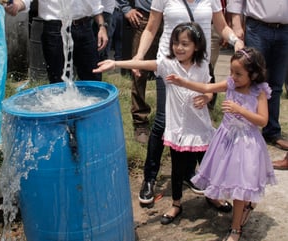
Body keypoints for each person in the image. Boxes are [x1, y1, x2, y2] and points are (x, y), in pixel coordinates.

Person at [94, 21, 223, 225]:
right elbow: (144, 64)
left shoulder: (202, 65)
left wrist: (207, 97)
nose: (179, 48)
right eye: (175, 43)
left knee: (208, 166)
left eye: (184, 44)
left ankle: (213, 196)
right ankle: (176, 204)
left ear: (196, 46)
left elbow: (209, 87)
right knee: (177, 169)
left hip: (201, 129)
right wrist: (116, 63)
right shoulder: (168, 64)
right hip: (178, 131)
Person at [134, 0, 244, 209]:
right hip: (169, 65)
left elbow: (221, 26)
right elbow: (151, 27)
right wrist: (139, 56)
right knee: (163, 121)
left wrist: (235, 40)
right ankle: (150, 177)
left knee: (197, 121)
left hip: (200, 67)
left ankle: (192, 174)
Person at [167, 47, 277, 240]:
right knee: (227, 178)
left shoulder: (259, 92)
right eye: (231, 72)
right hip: (225, 141)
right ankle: (242, 207)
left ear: (254, 74)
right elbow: (206, 88)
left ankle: (235, 228)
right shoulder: (230, 84)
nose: (233, 77)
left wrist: (239, 110)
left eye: (238, 74)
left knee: (240, 185)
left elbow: (263, 120)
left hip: (246, 145)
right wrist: (182, 81)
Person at [227, 0, 288, 151]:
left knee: (276, 84)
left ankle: (272, 131)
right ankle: (243, 126)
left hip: (285, 29)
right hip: (257, 27)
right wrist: (236, 24)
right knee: (251, 80)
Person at [4, 0, 108, 83]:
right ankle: (65, 109)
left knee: (93, 76)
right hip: (55, 30)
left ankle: (94, 108)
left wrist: (101, 26)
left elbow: (94, 4)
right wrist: (15, 6)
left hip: (84, 26)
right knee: (59, 81)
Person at [118, 0, 162, 144]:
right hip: (145, 17)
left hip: (173, 18)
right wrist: (125, 8)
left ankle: (171, 119)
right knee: (139, 72)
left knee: (174, 70)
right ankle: (140, 122)